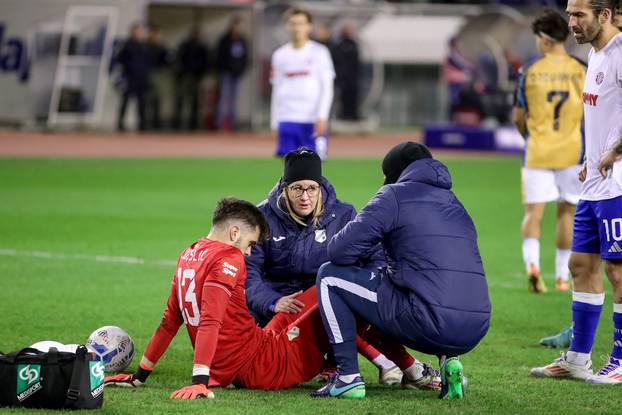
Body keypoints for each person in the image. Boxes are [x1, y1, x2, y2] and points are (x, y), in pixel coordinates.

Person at [104, 197, 438, 399]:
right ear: (235, 233)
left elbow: (170, 321)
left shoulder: (189, 253)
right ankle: (408, 369)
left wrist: (141, 375)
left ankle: (392, 367)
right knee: (341, 290)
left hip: (256, 349)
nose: (250, 252)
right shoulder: (228, 257)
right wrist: (199, 381)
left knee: (309, 297)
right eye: (250, 244)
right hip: (267, 364)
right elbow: (211, 320)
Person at [312, 142, 491, 399]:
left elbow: (339, 251)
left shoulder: (394, 195)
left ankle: (348, 378)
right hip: (475, 327)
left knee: (330, 276)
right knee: (440, 285)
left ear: (393, 173)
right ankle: (449, 361)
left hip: (428, 322)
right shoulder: (455, 203)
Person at [245, 148, 437, 387]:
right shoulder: (261, 217)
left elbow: (375, 259)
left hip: (325, 302)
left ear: (320, 187)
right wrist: (273, 301)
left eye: (311, 188)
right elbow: (248, 274)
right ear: (284, 188)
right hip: (277, 308)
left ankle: (373, 365)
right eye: (297, 189)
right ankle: (394, 365)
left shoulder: (342, 214)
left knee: (341, 293)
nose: (305, 197)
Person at [530, 0, 622, 384]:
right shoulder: (595, 56)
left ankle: (619, 361)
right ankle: (578, 358)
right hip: (593, 182)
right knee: (580, 266)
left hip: (618, 182)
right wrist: (590, 155)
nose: (571, 23)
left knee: (617, 270)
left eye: (579, 15)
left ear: (603, 15)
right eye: (569, 14)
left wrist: (615, 151)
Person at [513, 8, 586, 293]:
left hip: (538, 151)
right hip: (572, 151)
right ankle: (561, 277)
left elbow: (519, 118)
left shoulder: (530, 71)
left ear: (543, 40)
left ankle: (533, 267)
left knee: (533, 213)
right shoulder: (581, 69)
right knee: (567, 213)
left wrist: (529, 136)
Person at [270, 8, 334, 160]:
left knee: (314, 170)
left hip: (311, 119)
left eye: (301, 23)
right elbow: (276, 87)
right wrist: (274, 121)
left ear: (309, 26)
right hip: (287, 118)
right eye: (292, 23)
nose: (296, 28)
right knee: (289, 170)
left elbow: (327, 87)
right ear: (286, 26)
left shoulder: (320, 52)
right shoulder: (279, 55)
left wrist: (322, 116)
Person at [116, 23, 151, 132]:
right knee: (125, 101)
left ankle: (142, 125)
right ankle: (120, 124)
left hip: (141, 78)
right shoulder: (126, 45)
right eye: (136, 31)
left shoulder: (144, 45)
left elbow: (148, 61)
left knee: (142, 103)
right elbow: (120, 59)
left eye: (140, 31)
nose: (138, 33)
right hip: (129, 77)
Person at [173, 27, 209, 130]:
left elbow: (205, 62)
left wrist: (200, 74)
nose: (196, 36)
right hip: (184, 77)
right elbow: (178, 60)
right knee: (180, 100)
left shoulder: (202, 47)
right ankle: (177, 123)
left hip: (195, 77)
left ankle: (193, 124)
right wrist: (180, 73)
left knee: (194, 102)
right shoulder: (184, 45)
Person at [215, 16, 248, 131]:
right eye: (236, 26)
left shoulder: (242, 40)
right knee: (224, 98)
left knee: (235, 99)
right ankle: (219, 124)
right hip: (225, 74)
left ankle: (234, 125)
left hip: (237, 74)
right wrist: (222, 69)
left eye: (239, 26)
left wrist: (241, 70)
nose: (237, 28)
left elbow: (245, 57)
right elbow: (219, 56)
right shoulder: (225, 39)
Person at [333, 23, 361, 120]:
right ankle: (343, 115)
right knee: (343, 97)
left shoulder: (354, 44)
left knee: (353, 97)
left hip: (353, 78)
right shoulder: (340, 45)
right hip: (343, 78)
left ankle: (353, 114)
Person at [145, 25, 171, 130]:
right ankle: (148, 121)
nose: (158, 37)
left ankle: (157, 121)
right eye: (156, 35)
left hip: (160, 75)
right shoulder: (147, 46)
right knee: (149, 98)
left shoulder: (162, 47)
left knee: (159, 99)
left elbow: (167, 60)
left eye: (159, 35)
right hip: (150, 73)